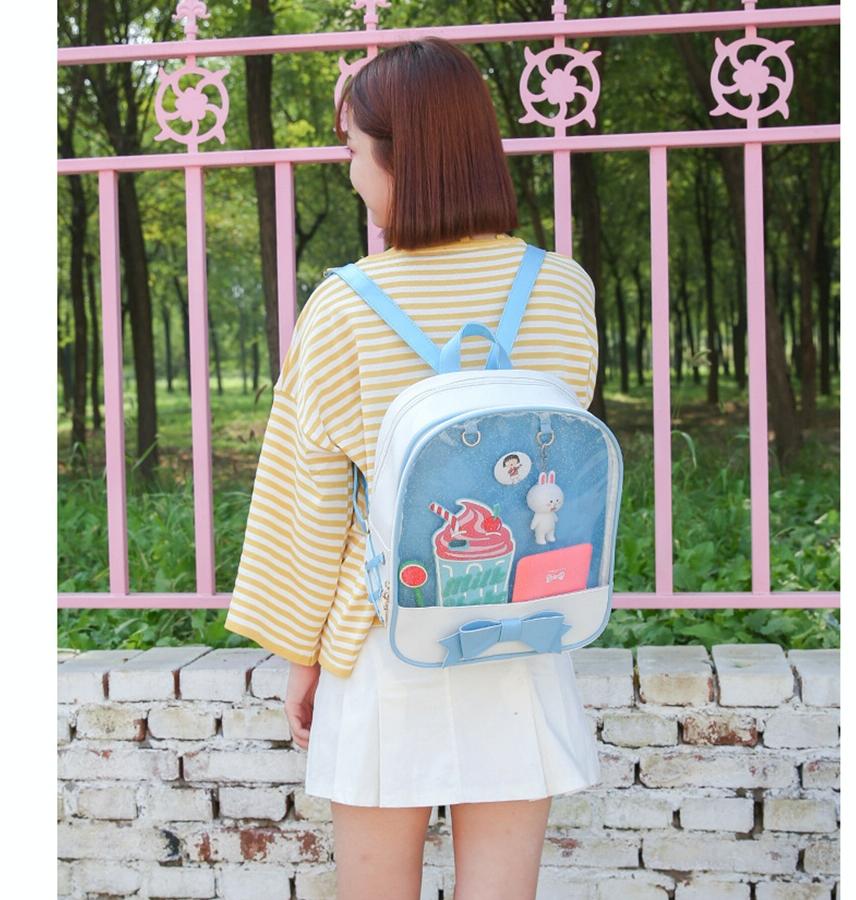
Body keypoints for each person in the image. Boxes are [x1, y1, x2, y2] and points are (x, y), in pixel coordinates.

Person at [223, 36, 601, 900]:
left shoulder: (344, 305)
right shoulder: (561, 289)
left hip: (389, 635)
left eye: (354, 149)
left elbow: (309, 499)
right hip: (523, 629)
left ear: (404, 156)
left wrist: (301, 657)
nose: (351, 172)